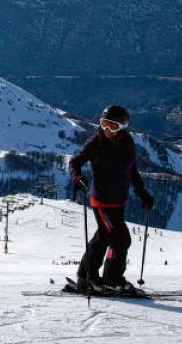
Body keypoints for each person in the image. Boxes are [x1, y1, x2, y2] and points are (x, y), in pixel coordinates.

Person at [67, 105, 154, 295]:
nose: (107, 130)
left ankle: (86, 277)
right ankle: (112, 280)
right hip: (102, 202)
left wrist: (143, 193)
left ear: (122, 127)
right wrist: (77, 178)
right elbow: (75, 161)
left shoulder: (128, 144)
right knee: (121, 240)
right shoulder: (96, 142)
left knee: (103, 238)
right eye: (104, 124)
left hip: (118, 202)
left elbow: (132, 171)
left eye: (112, 126)